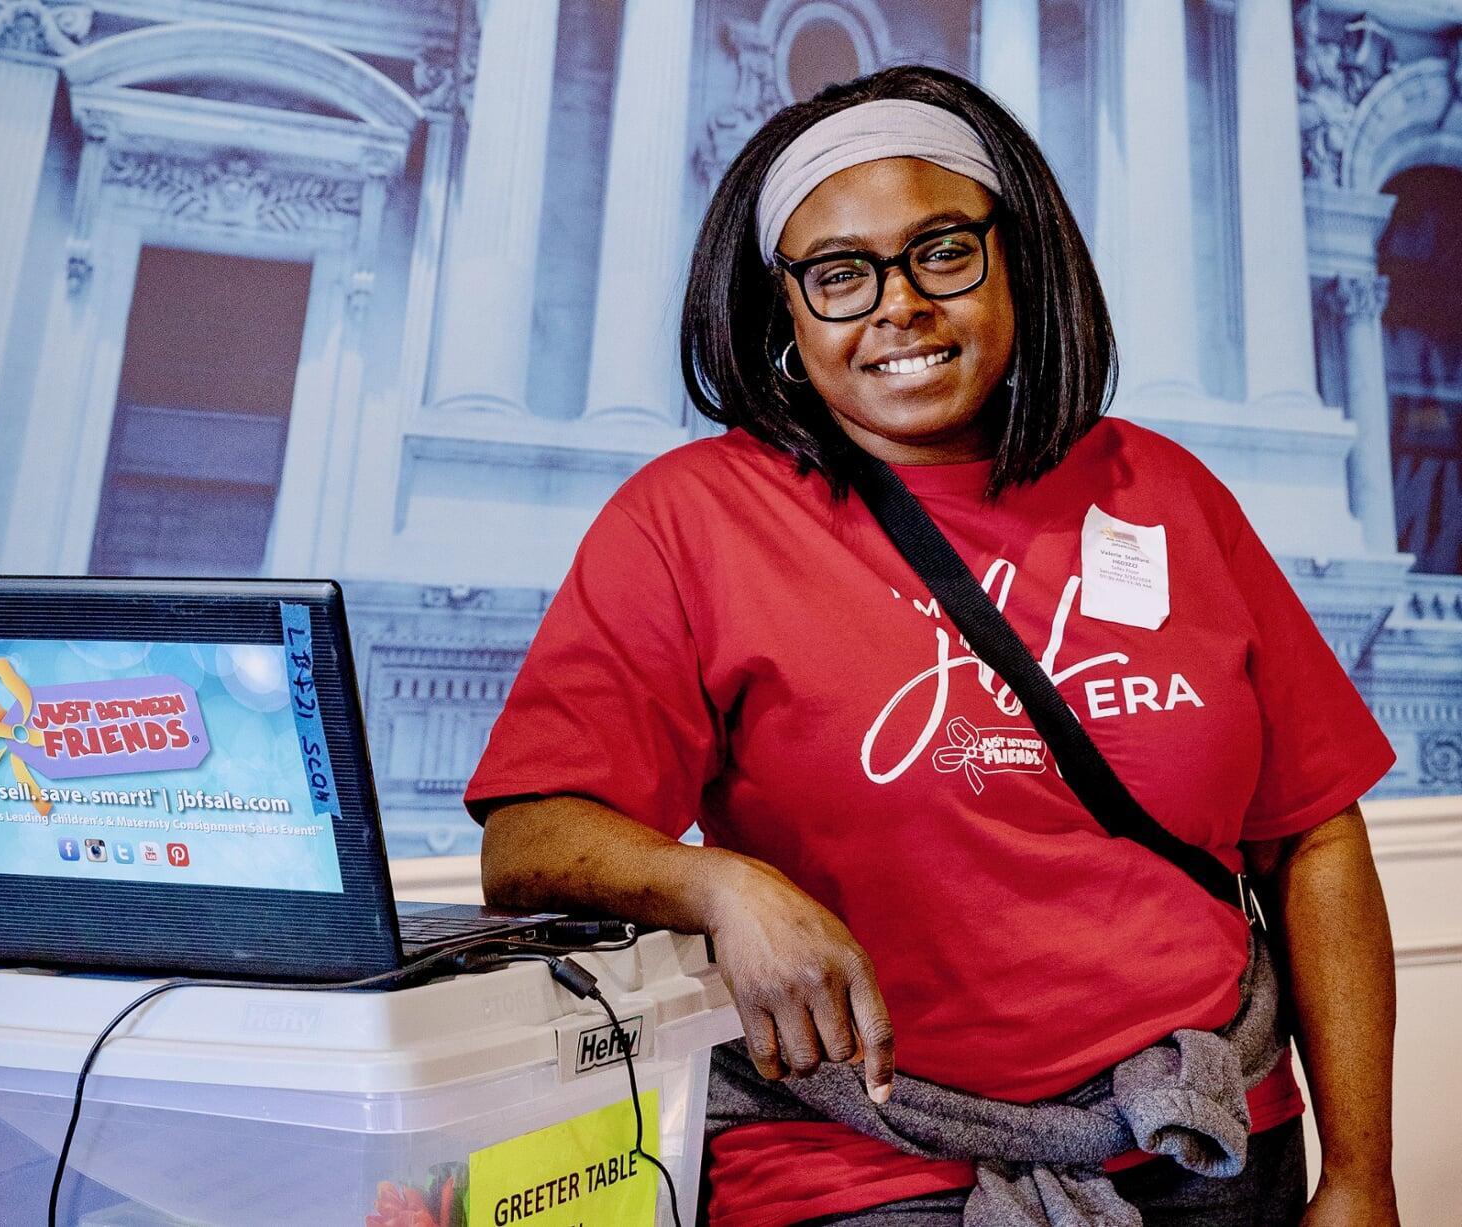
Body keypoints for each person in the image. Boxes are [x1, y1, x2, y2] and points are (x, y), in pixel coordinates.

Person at [465, 65, 1400, 1227]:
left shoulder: (1164, 491)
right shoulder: (690, 519)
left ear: (1018, 258)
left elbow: (1311, 836)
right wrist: (724, 885)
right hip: (862, 1171)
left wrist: (1362, 1174)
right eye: (839, 275)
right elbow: (529, 835)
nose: (897, 306)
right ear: (783, 312)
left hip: (1206, 1145)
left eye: (942, 251)